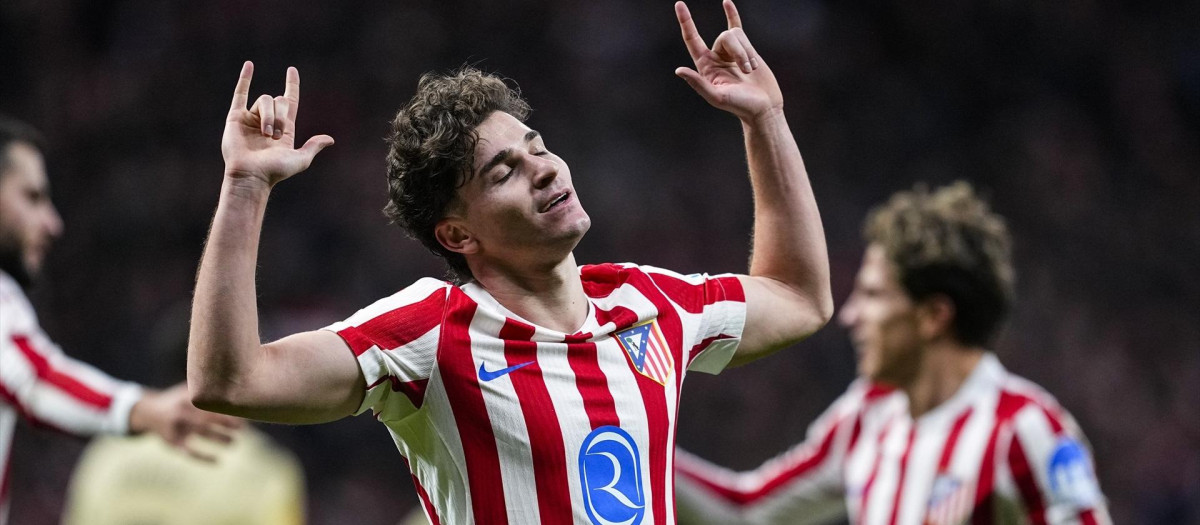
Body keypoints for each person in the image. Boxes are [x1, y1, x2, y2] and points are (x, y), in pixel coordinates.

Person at [186, 1, 834, 523]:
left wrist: (765, 119)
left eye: (537, 146)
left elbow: (800, 295)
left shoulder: (649, 303)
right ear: (458, 233)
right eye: (505, 171)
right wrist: (245, 185)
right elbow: (231, 382)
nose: (544, 168)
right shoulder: (429, 333)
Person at [674, 181, 1112, 524]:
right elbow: (746, 509)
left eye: (872, 295)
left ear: (932, 315)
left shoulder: (1024, 428)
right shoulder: (867, 416)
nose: (851, 316)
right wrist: (629, 442)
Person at [0, 116, 241, 525]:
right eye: (32, 196)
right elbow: (36, 379)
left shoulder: (101, 467)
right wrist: (144, 409)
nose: (52, 223)